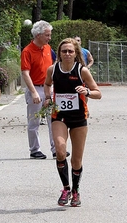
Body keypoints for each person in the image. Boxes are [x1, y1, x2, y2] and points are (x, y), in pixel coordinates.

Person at [43, 38, 102, 207]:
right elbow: (47, 84)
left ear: (76, 53)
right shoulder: (52, 70)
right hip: (59, 115)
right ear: (59, 54)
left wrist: (87, 91)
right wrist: (47, 97)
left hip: (78, 118)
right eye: (64, 51)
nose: (67, 54)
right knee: (60, 151)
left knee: (76, 160)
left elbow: (98, 93)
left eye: (70, 51)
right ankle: (66, 188)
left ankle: (76, 191)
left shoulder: (82, 71)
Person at [21, 20, 57, 159]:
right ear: (38, 35)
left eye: (49, 35)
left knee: (53, 119)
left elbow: (54, 64)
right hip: (35, 88)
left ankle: (56, 149)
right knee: (34, 121)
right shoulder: (27, 51)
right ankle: (34, 150)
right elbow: (25, 73)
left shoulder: (48, 48)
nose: (49, 38)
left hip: (48, 87)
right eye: (47, 35)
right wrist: (33, 92)